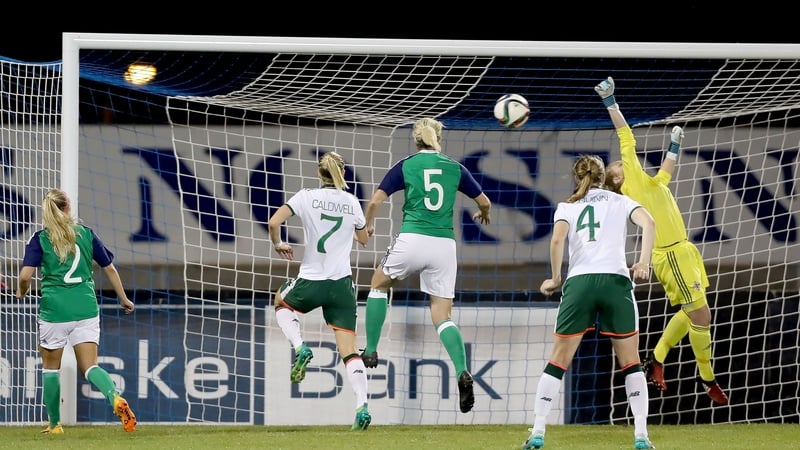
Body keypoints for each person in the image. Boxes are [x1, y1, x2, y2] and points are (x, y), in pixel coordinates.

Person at [595, 76, 729, 405]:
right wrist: (611, 102)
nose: (622, 163)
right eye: (618, 166)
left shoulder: (648, 183)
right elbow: (625, 136)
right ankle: (706, 377)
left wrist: (674, 145)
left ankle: (657, 358)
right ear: (617, 179)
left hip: (685, 250)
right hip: (670, 255)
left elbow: (666, 175)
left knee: (695, 312)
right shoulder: (630, 187)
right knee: (703, 316)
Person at [522, 154, 657, 450]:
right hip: (616, 282)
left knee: (558, 361)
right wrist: (643, 262)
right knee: (631, 363)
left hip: (580, 283)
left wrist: (556, 278)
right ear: (602, 178)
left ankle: (538, 431)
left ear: (577, 177)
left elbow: (556, 241)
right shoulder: (620, 201)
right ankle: (641, 436)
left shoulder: (568, 206)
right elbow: (649, 223)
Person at [358, 117, 491, 414]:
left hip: (413, 238)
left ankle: (370, 350)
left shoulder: (406, 165)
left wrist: (368, 225)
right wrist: (483, 214)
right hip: (444, 246)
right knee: (442, 316)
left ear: (416, 140)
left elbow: (375, 201)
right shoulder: (455, 168)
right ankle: (462, 370)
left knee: (378, 284)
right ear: (439, 140)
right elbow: (484, 201)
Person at [16, 188, 137, 434]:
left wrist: (21, 292)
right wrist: (123, 298)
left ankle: (54, 424)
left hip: (55, 311)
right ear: (68, 207)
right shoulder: (87, 234)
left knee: (51, 368)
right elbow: (110, 269)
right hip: (86, 308)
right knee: (90, 366)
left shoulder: (40, 238)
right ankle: (114, 397)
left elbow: (25, 275)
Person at [267, 151, 372, 431]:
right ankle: (362, 406)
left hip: (312, 280)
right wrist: (363, 227)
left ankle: (300, 346)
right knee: (349, 351)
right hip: (341, 285)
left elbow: (274, 222)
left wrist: (278, 244)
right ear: (343, 174)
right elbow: (363, 239)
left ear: (319, 173)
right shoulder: (351, 202)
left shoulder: (305, 196)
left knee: (281, 301)